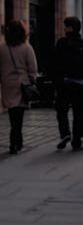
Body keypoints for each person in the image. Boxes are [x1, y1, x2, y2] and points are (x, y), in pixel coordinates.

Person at [52, 16, 83, 151]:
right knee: (78, 113)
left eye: (65, 26)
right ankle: (77, 140)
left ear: (70, 28)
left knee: (61, 110)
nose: (64, 29)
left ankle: (65, 133)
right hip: (81, 86)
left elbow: (55, 65)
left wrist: (56, 83)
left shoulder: (61, 44)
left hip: (64, 84)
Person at [0, 20, 37, 154]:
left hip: (7, 85)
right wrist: (33, 80)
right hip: (22, 85)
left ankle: (13, 142)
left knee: (12, 114)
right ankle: (17, 141)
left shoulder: (2, 48)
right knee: (19, 116)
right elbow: (32, 68)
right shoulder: (27, 48)